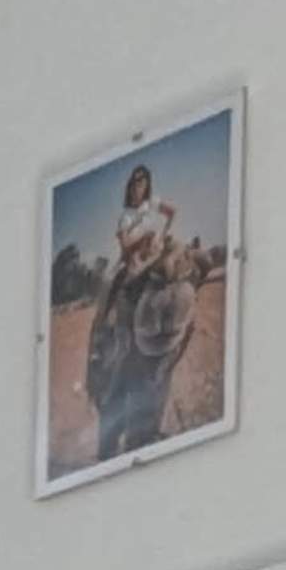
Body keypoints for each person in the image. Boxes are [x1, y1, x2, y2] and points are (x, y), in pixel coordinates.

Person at [82, 161, 202, 466]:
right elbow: (124, 247)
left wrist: (162, 234)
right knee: (114, 289)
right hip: (134, 260)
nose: (140, 186)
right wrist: (142, 240)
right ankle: (106, 351)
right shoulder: (126, 215)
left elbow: (173, 213)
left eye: (143, 181)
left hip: (155, 254)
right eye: (136, 182)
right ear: (130, 187)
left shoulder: (153, 203)